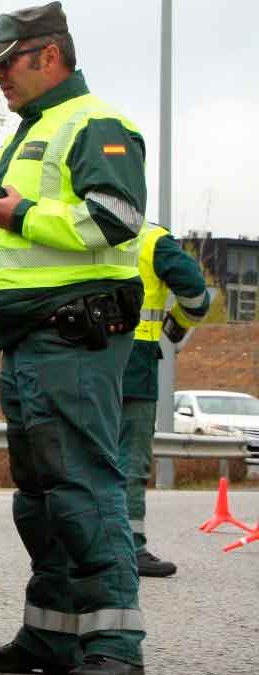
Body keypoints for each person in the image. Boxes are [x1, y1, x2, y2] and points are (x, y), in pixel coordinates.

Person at [0, 3, 148, 674]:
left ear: (47, 55)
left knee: (83, 491)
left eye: (3, 64)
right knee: (40, 503)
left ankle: (114, 648)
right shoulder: (25, 133)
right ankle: (51, 635)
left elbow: (118, 218)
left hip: (74, 341)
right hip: (28, 344)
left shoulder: (98, 124)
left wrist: (24, 212)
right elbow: (9, 257)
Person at [120, 223, 210, 578]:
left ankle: (80, 549)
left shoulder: (74, 225)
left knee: (85, 456)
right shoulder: (151, 238)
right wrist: (176, 326)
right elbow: (196, 295)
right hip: (135, 362)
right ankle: (131, 547)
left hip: (80, 358)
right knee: (130, 460)